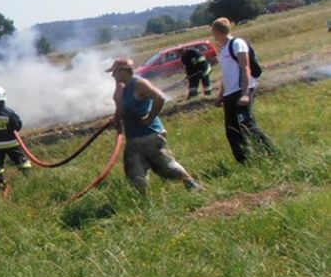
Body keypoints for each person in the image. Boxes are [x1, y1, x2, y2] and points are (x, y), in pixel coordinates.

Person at [109, 57, 202, 194]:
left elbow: (159, 98)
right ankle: (143, 200)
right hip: (133, 138)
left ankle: (191, 184)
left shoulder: (140, 84)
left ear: (123, 71)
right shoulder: (121, 89)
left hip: (150, 135)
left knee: (165, 166)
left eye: (114, 72)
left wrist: (150, 117)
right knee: (133, 171)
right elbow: (120, 108)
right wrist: (116, 120)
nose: (112, 75)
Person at [211, 17, 275, 163]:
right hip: (229, 94)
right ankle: (245, 161)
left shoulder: (237, 44)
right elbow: (226, 74)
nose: (213, 36)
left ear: (217, 31)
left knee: (247, 124)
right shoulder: (223, 49)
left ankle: (271, 153)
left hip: (242, 90)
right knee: (232, 130)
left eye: (213, 32)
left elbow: (245, 67)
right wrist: (220, 95)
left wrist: (245, 94)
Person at [0, 86, 32, 188]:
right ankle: (29, 179)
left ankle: (2, 183)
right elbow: (17, 126)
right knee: (21, 161)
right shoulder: (8, 111)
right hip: (10, 143)